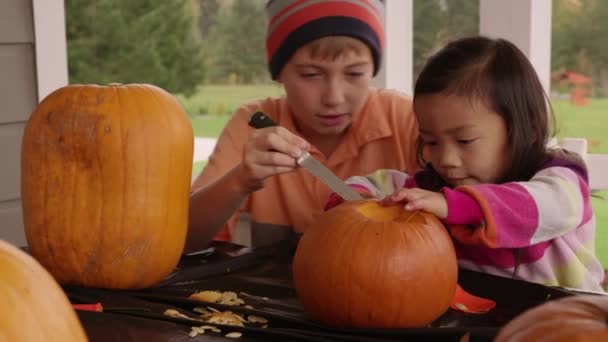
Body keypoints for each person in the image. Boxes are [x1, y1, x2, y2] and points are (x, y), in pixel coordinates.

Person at [325, 36, 605, 292]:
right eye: (431, 142)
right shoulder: (432, 187)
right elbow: (362, 186)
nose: (446, 160)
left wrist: (454, 206)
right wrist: (355, 208)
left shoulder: (561, 180)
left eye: (465, 140)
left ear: (525, 128)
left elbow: (540, 206)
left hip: (566, 322)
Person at [186, 0, 419, 252]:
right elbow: (185, 241)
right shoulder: (252, 123)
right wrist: (239, 181)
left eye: (354, 74)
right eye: (311, 75)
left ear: (373, 69)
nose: (334, 98)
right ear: (279, 73)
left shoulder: (406, 118)